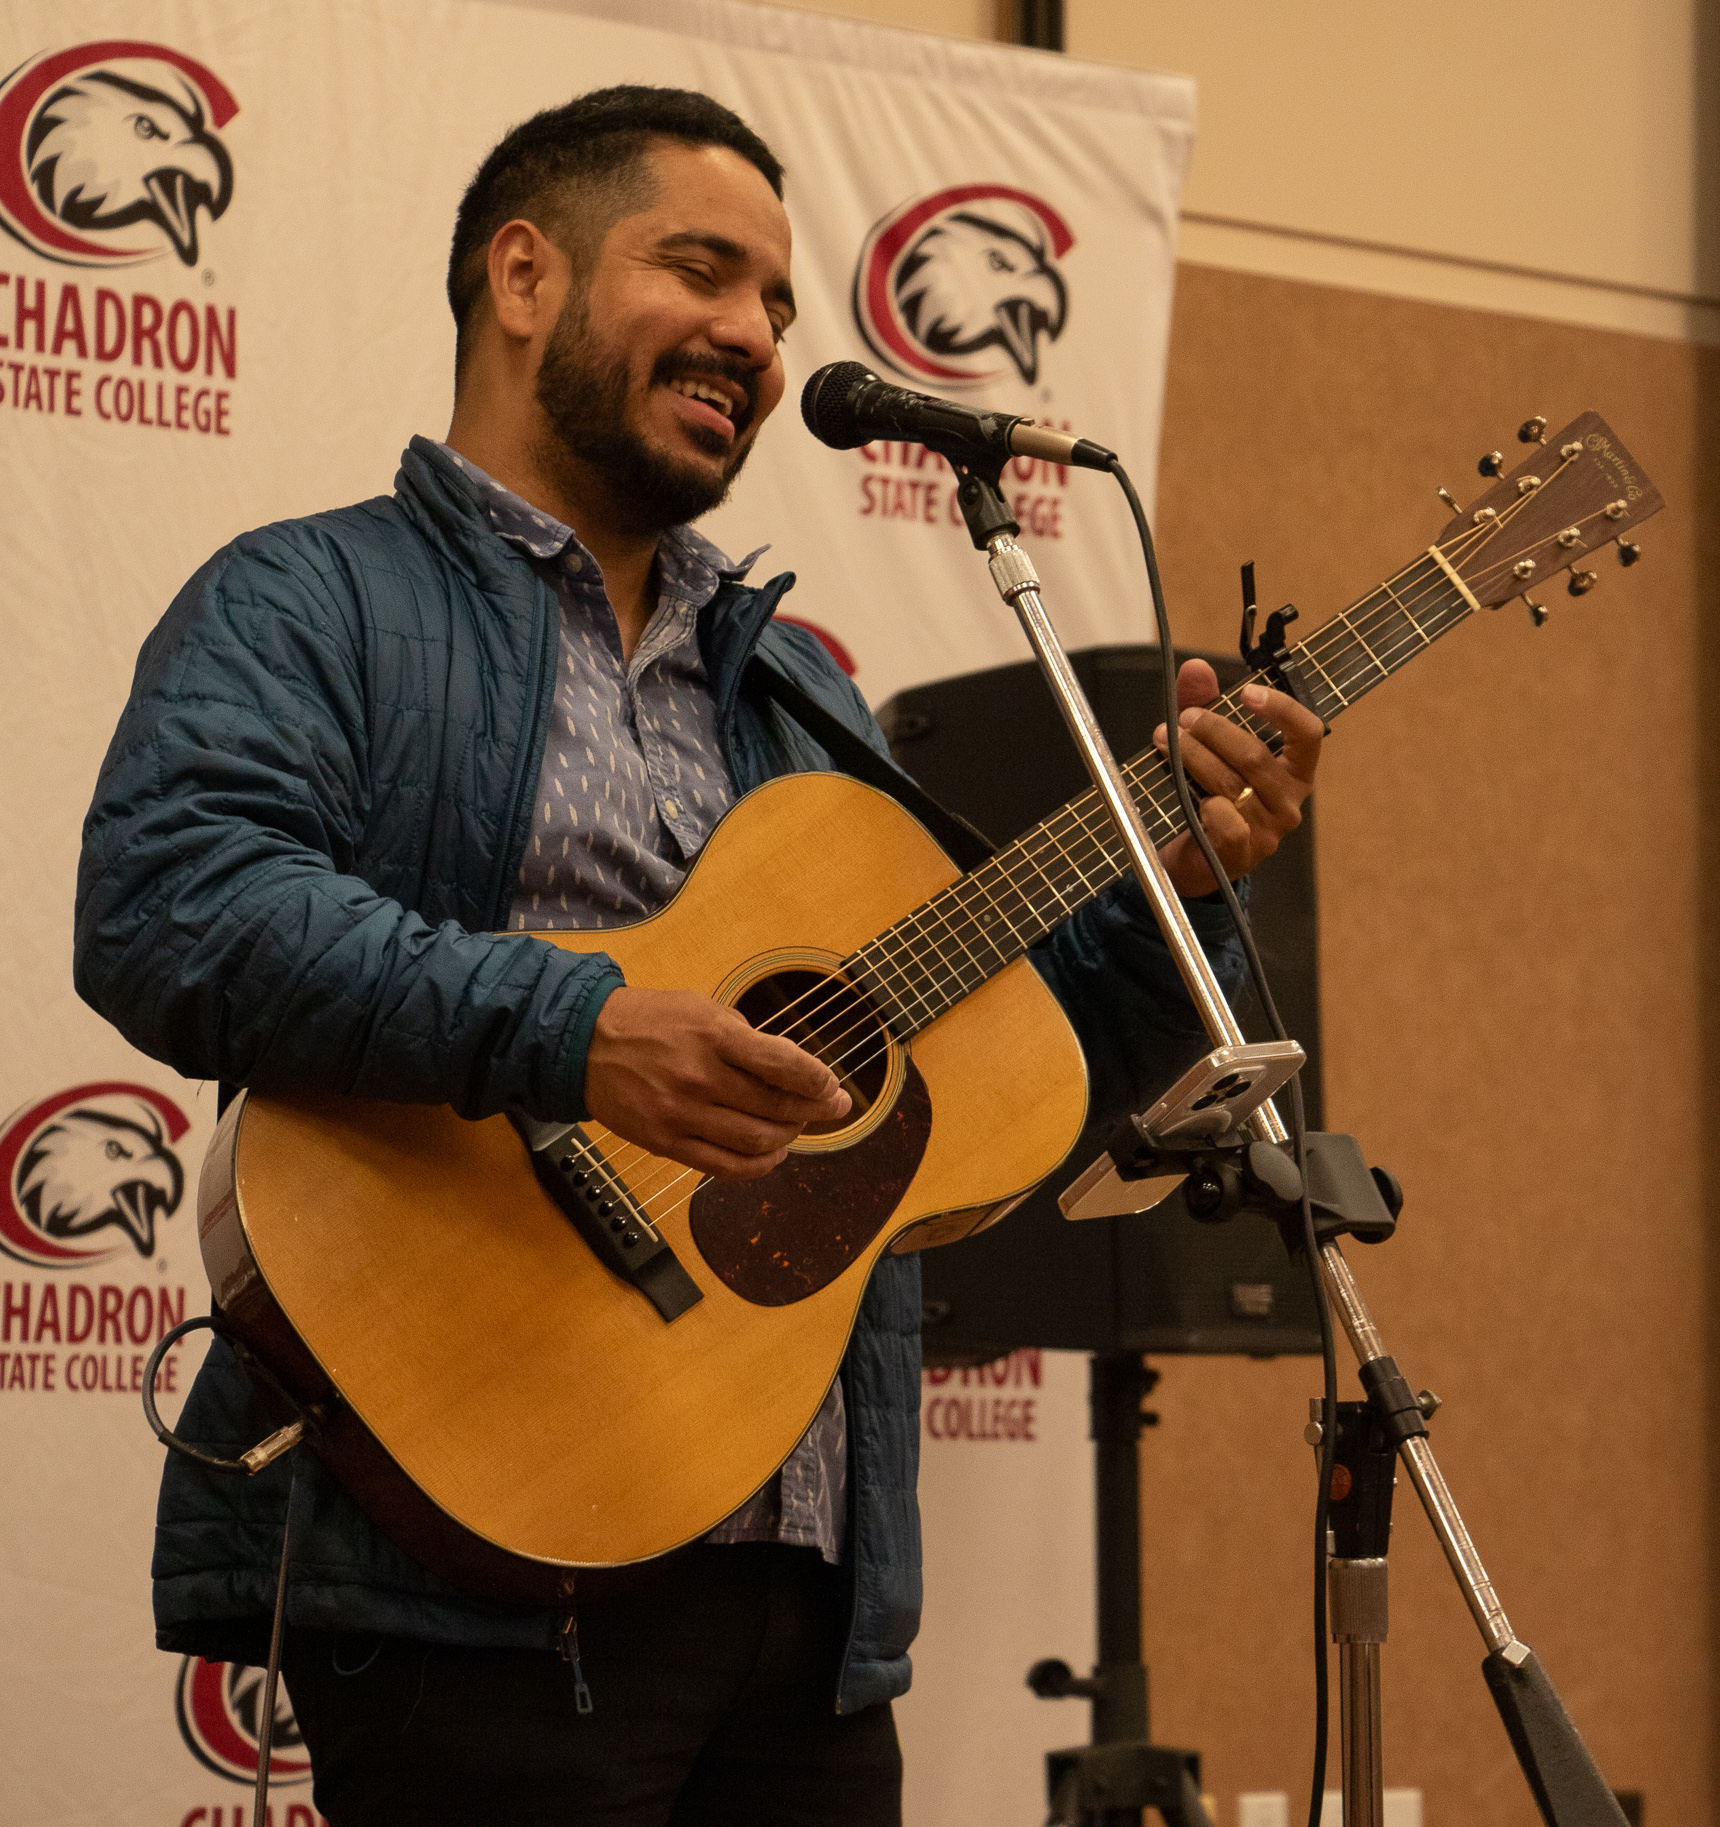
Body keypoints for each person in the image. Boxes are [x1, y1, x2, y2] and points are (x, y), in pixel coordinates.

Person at [74, 85, 1321, 1827]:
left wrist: (1177, 891)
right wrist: (582, 1028)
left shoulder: (792, 681)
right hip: (482, 1579)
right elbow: (172, 905)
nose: (754, 332)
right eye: (703, 270)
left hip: (807, 1599)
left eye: (782, 308)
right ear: (524, 276)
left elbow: (997, 1089)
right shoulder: (312, 603)